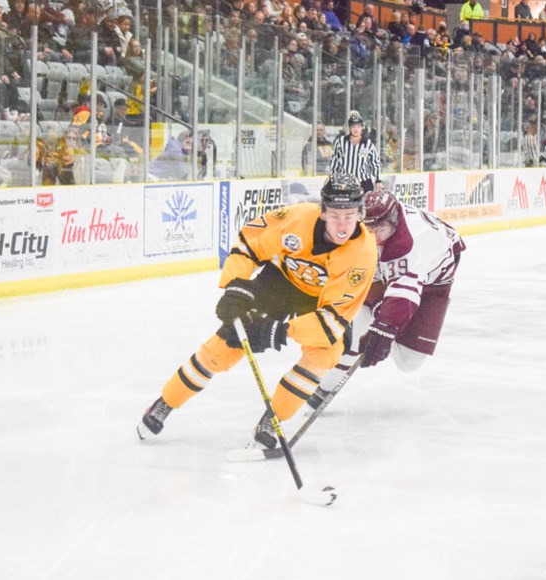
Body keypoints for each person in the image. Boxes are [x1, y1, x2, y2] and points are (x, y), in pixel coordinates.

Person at [136, 174, 379, 449]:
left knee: (327, 352)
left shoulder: (363, 255)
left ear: (360, 213)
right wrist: (235, 285)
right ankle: (165, 403)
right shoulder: (296, 219)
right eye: (335, 215)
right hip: (280, 283)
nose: (343, 224)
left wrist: (282, 331)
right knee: (226, 343)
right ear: (322, 212)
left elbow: (334, 320)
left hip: (321, 301)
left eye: (349, 215)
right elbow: (249, 243)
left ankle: (272, 419)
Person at [305, 189, 465, 411]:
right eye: (368, 228)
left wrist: (384, 329)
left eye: (379, 228)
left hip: (434, 284)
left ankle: (379, 322)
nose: (374, 236)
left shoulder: (410, 242)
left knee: (409, 362)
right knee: (359, 331)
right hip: (389, 273)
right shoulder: (373, 226)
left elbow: (403, 292)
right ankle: (325, 386)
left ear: (394, 219)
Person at [330, 110, 381, 193]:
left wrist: (378, 179)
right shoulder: (341, 142)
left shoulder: (368, 144)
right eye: (353, 126)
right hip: (345, 182)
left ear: (362, 127)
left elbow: (374, 163)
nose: (356, 129)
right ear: (349, 127)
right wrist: (332, 177)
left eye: (358, 126)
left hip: (364, 182)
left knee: (364, 205)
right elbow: (335, 161)